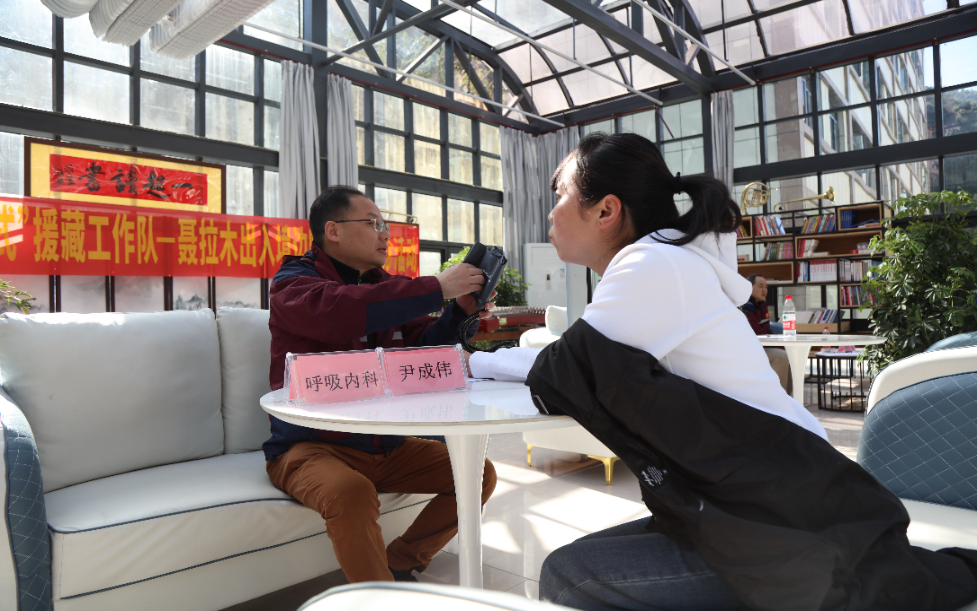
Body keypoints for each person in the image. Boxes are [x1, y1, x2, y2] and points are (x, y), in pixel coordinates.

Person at [469, 133, 977, 610]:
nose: (550, 211)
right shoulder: (666, 261)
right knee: (574, 567)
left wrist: (468, 361)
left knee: (567, 576)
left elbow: (565, 363)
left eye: (560, 194)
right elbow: (577, 360)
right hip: (763, 489)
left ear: (606, 210)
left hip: (786, 512)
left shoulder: (653, 266)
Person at [265, 185, 497, 584]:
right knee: (350, 491)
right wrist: (435, 288)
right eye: (373, 223)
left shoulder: (382, 286)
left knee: (478, 473)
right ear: (333, 231)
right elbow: (338, 313)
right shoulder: (293, 283)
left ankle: (401, 561)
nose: (385, 234)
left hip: (383, 445)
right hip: (310, 447)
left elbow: (425, 344)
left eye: (384, 225)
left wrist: (459, 312)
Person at [743, 273, 792, 394]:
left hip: (762, 346)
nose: (764, 290)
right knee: (782, 356)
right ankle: (775, 396)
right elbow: (757, 334)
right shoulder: (745, 307)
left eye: (766, 287)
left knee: (792, 354)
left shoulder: (762, 305)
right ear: (749, 287)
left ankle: (788, 397)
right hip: (749, 348)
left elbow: (766, 331)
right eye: (761, 286)